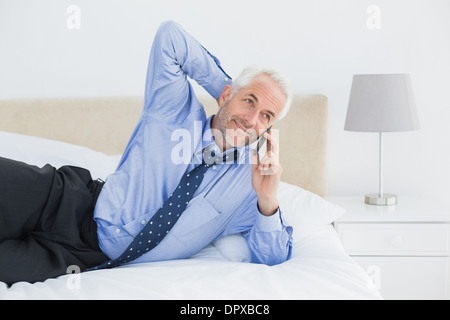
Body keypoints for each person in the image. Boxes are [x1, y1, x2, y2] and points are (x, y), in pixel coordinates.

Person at [0, 21, 293, 286]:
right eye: (249, 101)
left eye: (266, 116)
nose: (253, 119)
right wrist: (226, 91)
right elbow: (171, 38)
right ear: (228, 95)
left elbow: (273, 260)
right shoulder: (175, 109)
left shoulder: (248, 188)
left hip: (81, 258)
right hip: (67, 199)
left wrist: (267, 200)